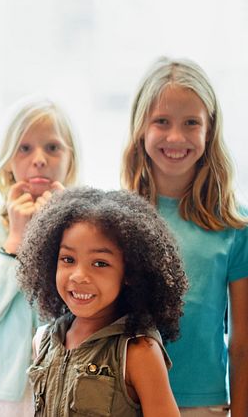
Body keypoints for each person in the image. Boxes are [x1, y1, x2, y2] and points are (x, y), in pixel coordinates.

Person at [121, 57, 248, 416]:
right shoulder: (115, 219)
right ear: (141, 128)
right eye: (161, 122)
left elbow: (243, 344)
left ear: (209, 131)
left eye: (191, 123)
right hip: (123, 399)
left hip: (201, 404)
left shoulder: (235, 225)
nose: (175, 137)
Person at [17, 187, 187, 416]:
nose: (78, 275)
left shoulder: (139, 352)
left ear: (130, 272)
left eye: (100, 263)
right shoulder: (44, 340)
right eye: (68, 259)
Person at [0, 99, 79, 416]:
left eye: (52, 148)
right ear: (8, 160)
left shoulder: (86, 228)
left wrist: (60, 231)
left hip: (63, 391)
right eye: (25, 148)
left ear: (70, 159)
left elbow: (85, 312)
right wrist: (15, 241)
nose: (39, 160)